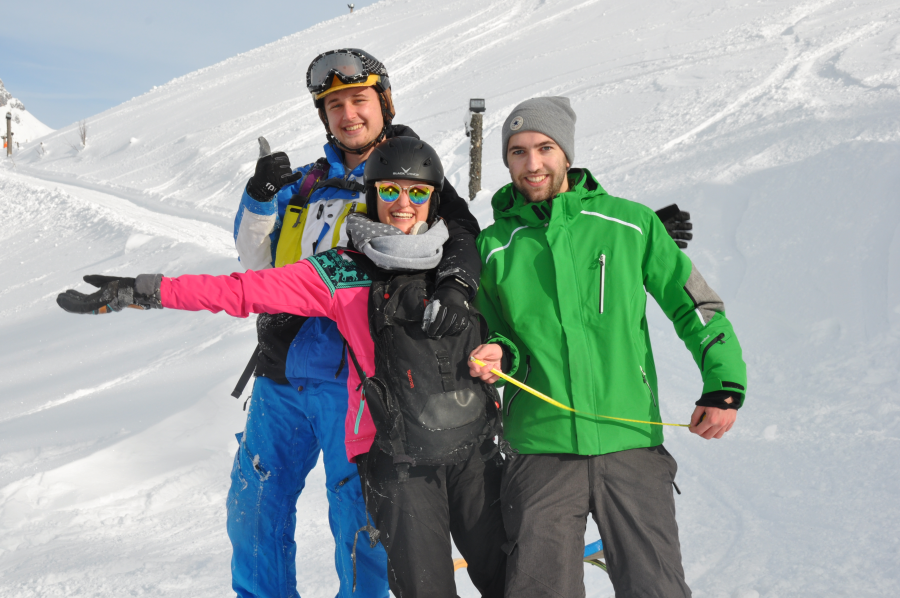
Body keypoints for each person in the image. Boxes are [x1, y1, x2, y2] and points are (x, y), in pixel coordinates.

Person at [56, 137, 508, 598]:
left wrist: (501, 354)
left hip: (472, 447)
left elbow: (507, 331)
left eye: (417, 192)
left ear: (434, 198)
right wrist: (145, 289)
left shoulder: (459, 265)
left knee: (504, 576)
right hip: (397, 456)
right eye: (390, 190)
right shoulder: (342, 271)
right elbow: (242, 290)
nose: (403, 204)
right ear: (372, 195)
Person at [224, 49, 483, 597]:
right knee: (255, 505)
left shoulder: (409, 174)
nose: (348, 114)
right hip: (283, 370)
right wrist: (259, 199)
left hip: (362, 376)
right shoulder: (306, 183)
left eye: (359, 100)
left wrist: (457, 285)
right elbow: (255, 262)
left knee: (361, 520)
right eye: (334, 105)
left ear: (384, 103)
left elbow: (463, 233)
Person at [467, 97, 748, 598]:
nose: (532, 164)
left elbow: (696, 307)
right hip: (540, 451)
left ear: (566, 152)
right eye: (517, 152)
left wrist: (723, 384)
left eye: (544, 148)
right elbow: (496, 335)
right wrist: (498, 354)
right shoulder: (493, 248)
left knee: (655, 588)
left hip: (630, 442)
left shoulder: (631, 225)